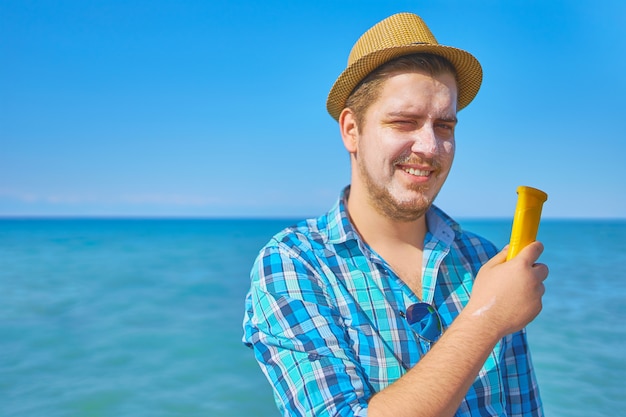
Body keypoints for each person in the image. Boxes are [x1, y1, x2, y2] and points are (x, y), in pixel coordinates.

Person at [242, 12, 548, 417]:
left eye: (444, 125)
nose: (430, 146)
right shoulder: (295, 264)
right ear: (351, 130)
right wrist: (485, 319)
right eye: (404, 122)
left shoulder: (483, 259)